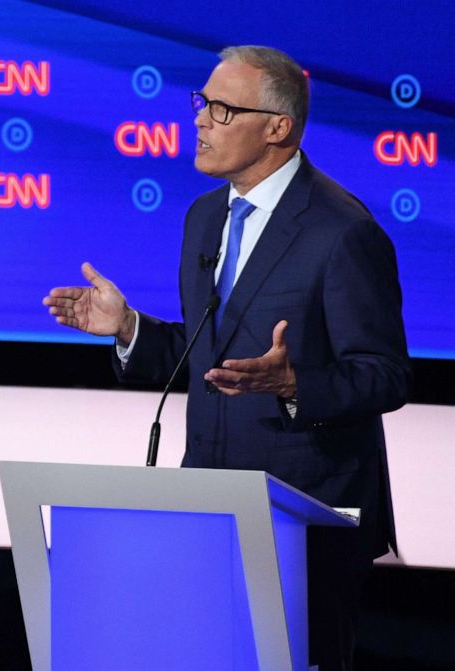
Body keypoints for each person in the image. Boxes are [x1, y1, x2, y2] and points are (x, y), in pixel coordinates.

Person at [43, 46, 409, 670]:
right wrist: (129, 328)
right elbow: (211, 354)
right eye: (201, 103)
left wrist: (295, 384)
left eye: (221, 108)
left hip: (305, 518)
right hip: (208, 506)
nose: (200, 121)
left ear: (277, 127)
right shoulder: (206, 217)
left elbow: (385, 375)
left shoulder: (342, 230)